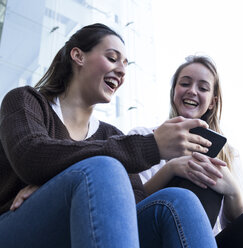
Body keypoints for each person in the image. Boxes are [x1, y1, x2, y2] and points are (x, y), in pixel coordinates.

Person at [0, 24, 218, 248]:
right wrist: (150, 146)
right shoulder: (25, 101)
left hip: (83, 227)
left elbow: (134, 202)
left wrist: (63, 186)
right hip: (15, 226)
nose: (122, 71)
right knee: (104, 168)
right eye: (112, 58)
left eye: (125, 65)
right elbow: (30, 156)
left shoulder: (111, 135)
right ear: (78, 56)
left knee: (180, 200)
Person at [129, 55, 243, 247]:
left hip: (209, 241)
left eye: (203, 88)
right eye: (185, 84)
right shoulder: (144, 137)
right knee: (199, 178)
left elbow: (240, 223)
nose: (192, 91)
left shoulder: (228, 154)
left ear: (212, 102)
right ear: (174, 91)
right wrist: (172, 168)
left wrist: (232, 191)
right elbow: (132, 206)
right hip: (156, 237)